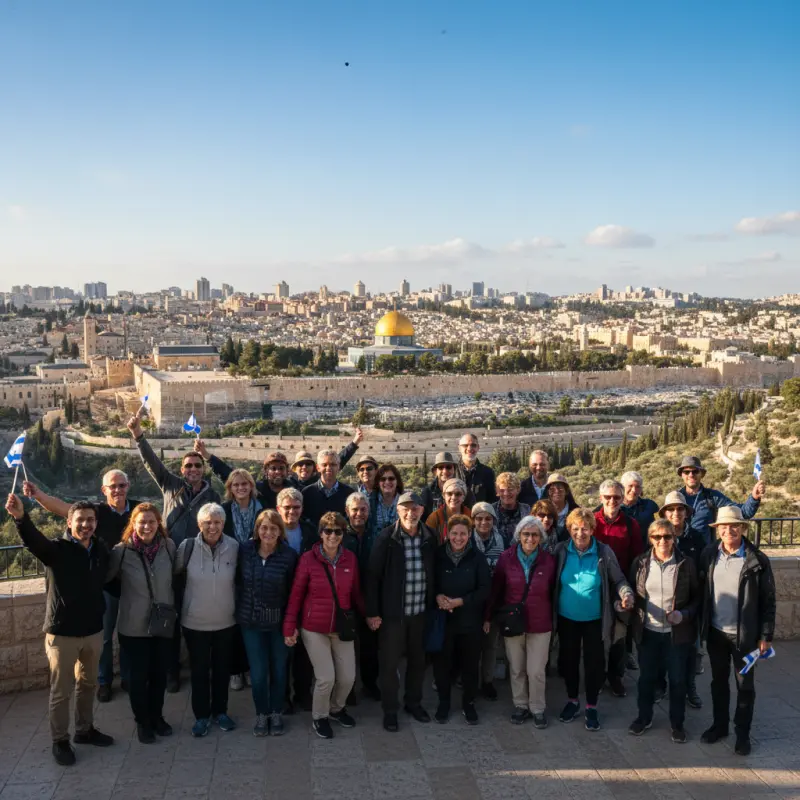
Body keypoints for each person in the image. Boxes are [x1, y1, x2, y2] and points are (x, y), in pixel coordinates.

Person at [5, 494, 114, 766]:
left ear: (96, 523)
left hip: (93, 630)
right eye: (80, 520)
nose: (86, 524)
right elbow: (33, 541)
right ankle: (60, 741)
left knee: (88, 684)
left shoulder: (100, 549)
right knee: (61, 690)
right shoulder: (57, 550)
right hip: (62, 632)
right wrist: (21, 518)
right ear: (69, 522)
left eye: (90, 520)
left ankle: (85, 730)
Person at [23, 470, 140, 702]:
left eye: (121, 485)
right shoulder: (96, 512)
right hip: (104, 586)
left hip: (132, 585)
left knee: (130, 635)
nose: (117, 490)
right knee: (105, 638)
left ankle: (129, 677)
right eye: (112, 486)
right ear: (104, 490)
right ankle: (104, 681)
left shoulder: (138, 509)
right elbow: (61, 508)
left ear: (128, 486)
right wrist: (38, 495)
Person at [127, 412, 220, 692]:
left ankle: (200, 667)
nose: (192, 469)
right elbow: (151, 463)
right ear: (182, 470)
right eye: (188, 465)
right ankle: (171, 672)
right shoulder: (170, 485)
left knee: (197, 619)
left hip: (199, 566)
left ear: (203, 469)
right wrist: (138, 436)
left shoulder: (213, 496)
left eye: (196, 465)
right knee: (170, 618)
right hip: (168, 564)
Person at [698, 507, 776, 756]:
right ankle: (720, 726)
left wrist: (765, 636)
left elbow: (768, 601)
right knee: (718, 682)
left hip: (745, 637)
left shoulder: (757, 560)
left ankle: (742, 734)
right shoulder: (709, 554)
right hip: (716, 633)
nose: (728, 530)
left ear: (743, 528)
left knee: (745, 686)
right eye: (723, 526)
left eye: (734, 526)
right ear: (717, 529)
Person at [284, 512, 364, 739]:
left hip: (341, 627)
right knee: (326, 677)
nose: (332, 535)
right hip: (314, 627)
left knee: (348, 677)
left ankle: (336, 709)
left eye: (338, 531)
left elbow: (356, 593)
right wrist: (290, 626)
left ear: (343, 535)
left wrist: (370, 615)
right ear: (320, 534)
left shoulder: (350, 559)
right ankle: (320, 716)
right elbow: (296, 595)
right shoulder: (308, 559)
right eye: (328, 531)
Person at [554, 508, 634, 732]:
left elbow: (618, 579)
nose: (580, 533)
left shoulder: (603, 552)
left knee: (594, 663)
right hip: (566, 617)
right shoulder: (561, 550)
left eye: (585, 528)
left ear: (592, 529)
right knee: (568, 661)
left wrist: (626, 593)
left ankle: (591, 706)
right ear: (569, 530)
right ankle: (572, 700)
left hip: (595, 619)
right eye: (575, 529)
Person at [106, 503, 177, 744]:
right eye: (142, 522)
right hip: (133, 625)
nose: (147, 526)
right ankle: (142, 721)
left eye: (152, 522)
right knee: (137, 678)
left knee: (159, 675)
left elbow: (176, 576)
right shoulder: (121, 551)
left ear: (159, 524)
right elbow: (107, 580)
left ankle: (157, 717)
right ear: (133, 524)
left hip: (162, 623)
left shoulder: (168, 547)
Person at [366, 491, 437, 732]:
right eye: (405, 507)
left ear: (422, 511)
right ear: (398, 511)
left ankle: (413, 704)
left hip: (419, 613)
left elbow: (434, 571)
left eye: (415, 507)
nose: (411, 512)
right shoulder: (386, 538)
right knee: (389, 665)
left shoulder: (429, 536)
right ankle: (390, 710)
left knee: (418, 663)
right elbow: (373, 577)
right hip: (392, 616)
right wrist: (373, 612)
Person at [628, 519, 700, 744]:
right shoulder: (640, 563)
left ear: (674, 538)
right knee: (646, 678)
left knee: (677, 680)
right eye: (657, 537)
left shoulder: (686, 564)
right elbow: (632, 591)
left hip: (676, 634)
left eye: (667, 536)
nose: (662, 541)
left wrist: (683, 615)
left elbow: (698, 598)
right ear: (650, 539)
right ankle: (644, 717)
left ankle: (677, 724)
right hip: (648, 631)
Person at [175, 503, 239, 737]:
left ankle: (221, 712)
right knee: (199, 672)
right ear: (199, 524)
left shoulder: (234, 547)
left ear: (224, 523)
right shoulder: (187, 547)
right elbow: (175, 577)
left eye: (217, 522)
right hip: (195, 622)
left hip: (226, 621)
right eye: (207, 522)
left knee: (222, 671)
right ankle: (201, 716)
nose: (213, 527)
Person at [488, 516, 556, 728]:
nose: (530, 538)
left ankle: (537, 708)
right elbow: (496, 590)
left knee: (536, 670)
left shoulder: (549, 561)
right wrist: (488, 617)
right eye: (526, 534)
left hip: (540, 622)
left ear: (541, 538)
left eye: (535, 535)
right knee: (516, 668)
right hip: (513, 622)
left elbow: (554, 592)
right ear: (518, 535)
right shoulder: (506, 559)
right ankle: (520, 705)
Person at [237, 508, 298, 736]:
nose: (268, 532)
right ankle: (261, 713)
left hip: (278, 624)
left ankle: (276, 712)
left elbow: (294, 592)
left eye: (273, 528)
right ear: (257, 530)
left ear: (280, 531)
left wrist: (292, 625)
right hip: (251, 623)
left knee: (280, 671)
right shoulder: (244, 551)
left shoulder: (289, 556)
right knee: (259, 672)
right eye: (264, 527)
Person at [432, 515, 490, 725]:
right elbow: (430, 583)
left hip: (469, 621)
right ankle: (444, 703)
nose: (458, 538)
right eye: (454, 533)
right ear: (447, 533)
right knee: (443, 665)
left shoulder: (477, 557)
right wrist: (437, 596)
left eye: (463, 534)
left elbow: (485, 590)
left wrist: (460, 602)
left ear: (469, 534)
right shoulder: (438, 555)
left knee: (470, 665)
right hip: (443, 620)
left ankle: (469, 703)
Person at [593, 479, 643, 697]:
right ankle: (597, 675)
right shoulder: (592, 521)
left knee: (619, 635)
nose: (612, 501)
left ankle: (615, 676)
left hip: (621, 586)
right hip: (595, 587)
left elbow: (638, 558)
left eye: (616, 497)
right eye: (608, 497)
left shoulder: (631, 525)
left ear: (623, 499)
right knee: (596, 635)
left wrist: (630, 589)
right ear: (600, 498)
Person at [659, 491, 706, 706]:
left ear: (687, 513)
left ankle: (690, 688)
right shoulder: (658, 536)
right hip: (663, 602)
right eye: (671, 509)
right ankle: (662, 686)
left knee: (690, 649)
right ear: (665, 513)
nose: (676, 513)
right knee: (662, 647)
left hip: (688, 604)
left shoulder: (696, 538)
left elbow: (704, 568)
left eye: (680, 509)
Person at [220, 468, 261, 692]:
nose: (241, 488)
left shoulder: (263, 511)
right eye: (236, 485)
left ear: (251, 486)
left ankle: (249, 668)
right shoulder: (223, 511)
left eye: (245, 483)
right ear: (230, 489)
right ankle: (235, 671)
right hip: (230, 572)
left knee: (251, 623)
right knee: (232, 624)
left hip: (255, 572)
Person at [676, 456, 764, 545]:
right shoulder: (676, 497)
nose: (691, 475)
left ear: (701, 474)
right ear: (681, 475)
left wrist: (754, 497)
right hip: (680, 553)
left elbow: (743, 512)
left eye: (695, 471)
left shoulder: (712, 496)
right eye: (686, 472)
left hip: (704, 554)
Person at [345, 492, 381, 700]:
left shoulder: (376, 534)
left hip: (369, 598)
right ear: (347, 511)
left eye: (363, 509)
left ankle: (370, 683)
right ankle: (347, 689)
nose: (359, 513)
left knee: (370, 647)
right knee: (347, 648)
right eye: (355, 509)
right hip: (346, 601)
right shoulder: (340, 534)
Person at [470, 502, 506, 700]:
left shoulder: (503, 541)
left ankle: (487, 681)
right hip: (472, 600)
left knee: (490, 645)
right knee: (471, 644)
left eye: (488, 518)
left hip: (494, 600)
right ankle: (470, 680)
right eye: (479, 518)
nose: (484, 522)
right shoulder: (467, 540)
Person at [195, 441, 290, 509]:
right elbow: (229, 474)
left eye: (281, 468)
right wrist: (206, 455)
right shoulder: (258, 490)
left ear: (287, 471)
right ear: (266, 471)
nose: (278, 472)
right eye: (273, 468)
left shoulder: (294, 489)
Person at [289, 429, 363, 489]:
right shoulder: (289, 483)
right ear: (295, 468)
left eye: (308, 464)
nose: (304, 467)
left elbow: (340, 459)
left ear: (314, 467)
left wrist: (354, 443)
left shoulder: (319, 480)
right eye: (300, 464)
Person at [301, 449, 356, 526]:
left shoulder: (349, 494)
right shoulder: (307, 493)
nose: (328, 468)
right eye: (324, 465)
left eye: (333, 464)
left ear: (339, 467)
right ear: (318, 467)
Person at [620, 471, 660, 547]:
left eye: (637, 487)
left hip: (645, 553)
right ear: (622, 487)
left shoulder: (650, 506)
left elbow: (660, 525)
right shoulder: (612, 507)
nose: (634, 490)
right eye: (630, 486)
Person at [426, 477, 471, 543]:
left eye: (458, 494)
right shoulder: (434, 517)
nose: (453, 497)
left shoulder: (470, 516)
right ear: (444, 496)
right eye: (449, 494)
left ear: (463, 497)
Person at [456, 433, 497, 503]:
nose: (469, 448)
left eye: (473, 445)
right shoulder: (452, 471)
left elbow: (492, 500)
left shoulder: (488, 472)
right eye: (465, 445)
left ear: (478, 447)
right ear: (459, 448)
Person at [492, 472, 531, 545]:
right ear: (497, 491)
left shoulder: (527, 510)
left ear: (518, 490)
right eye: (502, 490)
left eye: (510, 489)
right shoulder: (491, 510)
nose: (506, 493)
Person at [420, 451, 458, 518]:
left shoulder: (464, 491)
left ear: (454, 470)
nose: (445, 471)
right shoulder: (427, 493)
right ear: (435, 471)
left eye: (448, 467)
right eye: (440, 467)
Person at [371, 463, 404, 537]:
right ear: (378, 483)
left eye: (391, 478)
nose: (387, 482)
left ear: (397, 481)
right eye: (383, 479)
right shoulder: (371, 502)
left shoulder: (405, 503)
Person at [545, 473, 580, 543]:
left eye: (560, 488)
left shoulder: (577, 512)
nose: (556, 491)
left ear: (566, 491)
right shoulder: (543, 512)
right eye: (552, 489)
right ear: (548, 492)